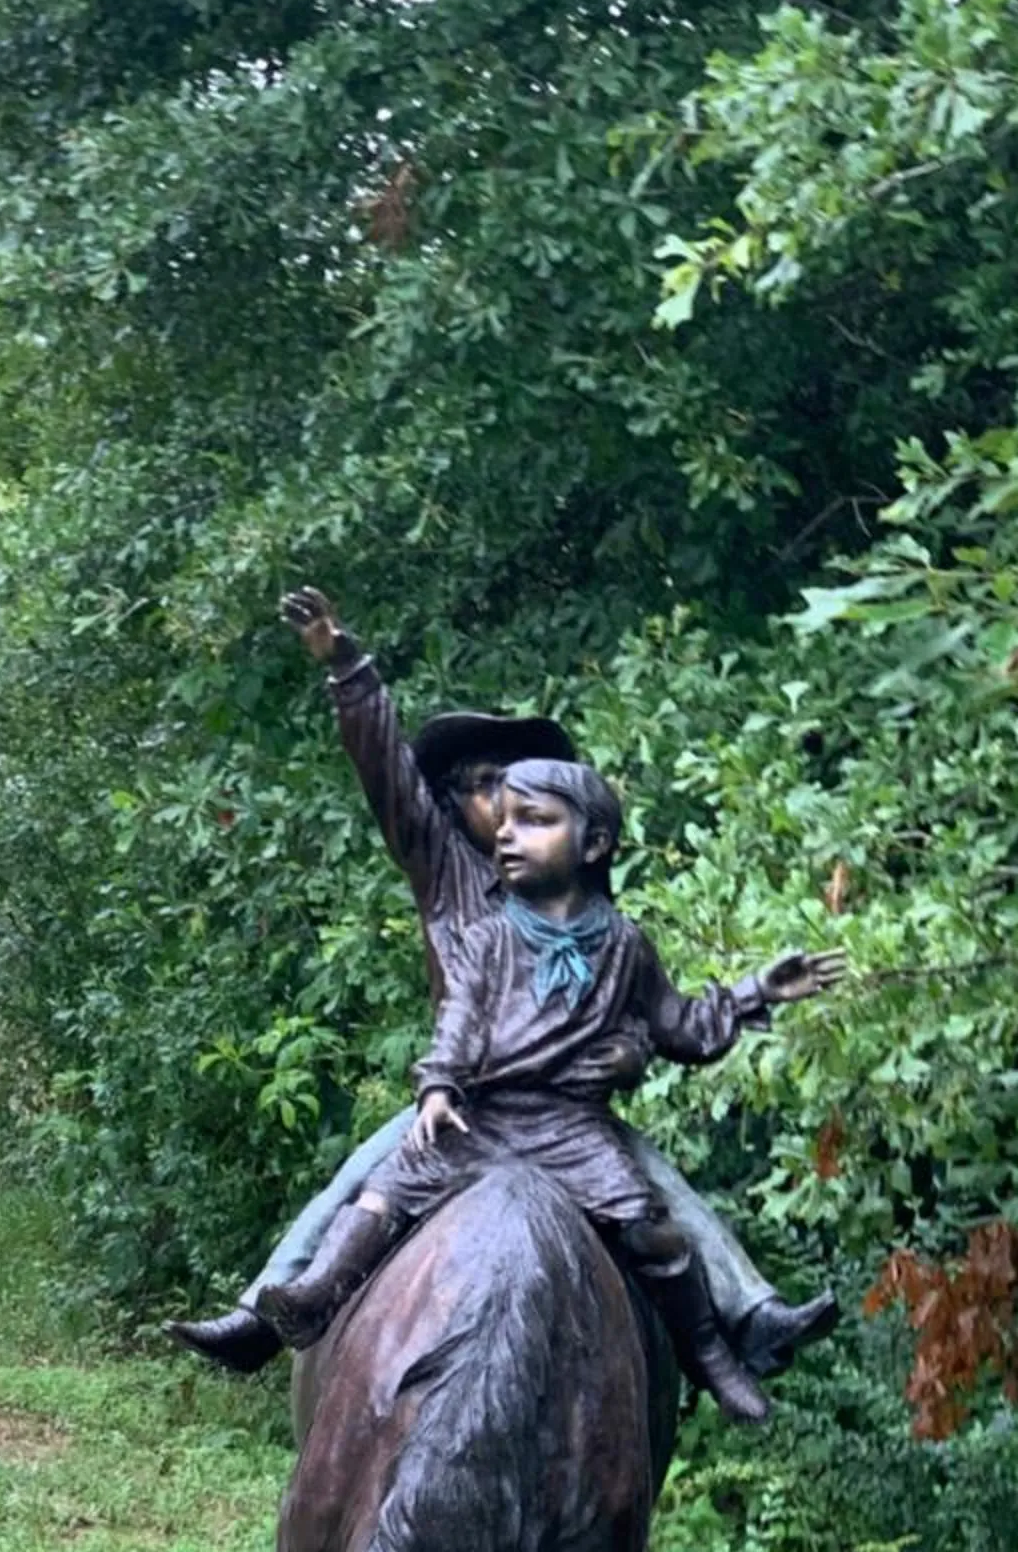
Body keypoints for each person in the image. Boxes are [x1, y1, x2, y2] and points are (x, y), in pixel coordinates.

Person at [169, 590, 839, 1378]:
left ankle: (746, 1317)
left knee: (660, 1186)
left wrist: (634, 1051)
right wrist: (349, 670)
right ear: (455, 801)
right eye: (487, 785)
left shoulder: (581, 895)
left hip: (567, 1113)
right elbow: (385, 769)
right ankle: (264, 1310)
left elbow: (635, 1006)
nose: (503, 802)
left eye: (520, 789)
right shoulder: (444, 869)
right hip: (468, 1100)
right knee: (360, 1180)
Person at [250, 759, 846, 1422]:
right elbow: (458, 1020)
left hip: (571, 1126)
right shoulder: (487, 938)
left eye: (534, 821)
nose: (506, 835)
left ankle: (708, 1351)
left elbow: (680, 1027)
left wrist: (754, 991)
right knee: (382, 1193)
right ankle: (315, 1293)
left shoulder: (624, 944)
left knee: (652, 1229)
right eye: (503, 821)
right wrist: (439, 1087)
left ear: (592, 844)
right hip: (481, 1119)